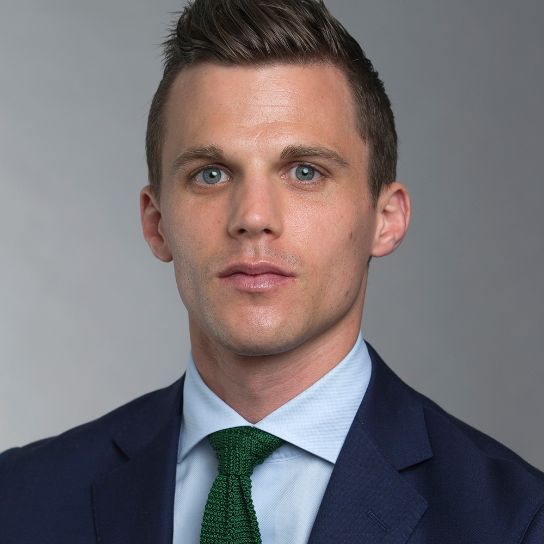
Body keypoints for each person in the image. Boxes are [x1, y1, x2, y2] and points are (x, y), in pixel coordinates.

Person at [1, 0, 543, 542]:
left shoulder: (519, 522)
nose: (254, 216)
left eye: (305, 172)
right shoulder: (18, 500)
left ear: (386, 218)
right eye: (211, 174)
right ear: (156, 222)